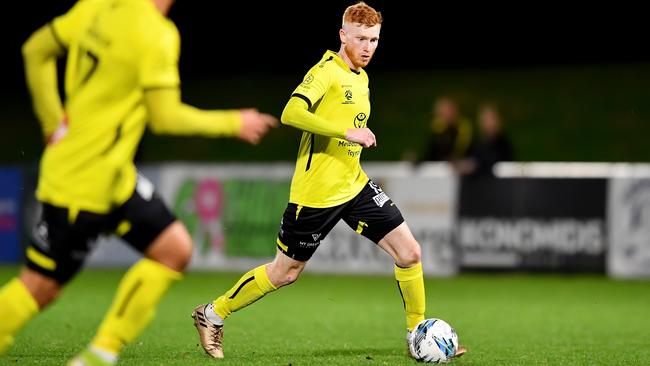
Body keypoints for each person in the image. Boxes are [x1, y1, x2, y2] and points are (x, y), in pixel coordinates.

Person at [0, 0, 277, 365]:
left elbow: (35, 49)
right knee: (39, 289)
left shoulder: (93, 7)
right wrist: (234, 123)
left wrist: (54, 125)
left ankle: (101, 354)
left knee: (173, 249)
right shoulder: (156, 33)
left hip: (113, 175)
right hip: (81, 184)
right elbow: (165, 117)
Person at [190, 2, 466, 360]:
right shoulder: (326, 71)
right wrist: (346, 132)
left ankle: (417, 334)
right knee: (284, 273)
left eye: (375, 39)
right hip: (316, 196)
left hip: (354, 186)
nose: (368, 47)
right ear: (342, 35)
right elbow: (291, 112)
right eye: (361, 39)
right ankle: (212, 314)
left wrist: (349, 139)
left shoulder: (362, 78)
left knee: (410, 252)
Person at [463, 103, 514, 178]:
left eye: (492, 119)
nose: (490, 123)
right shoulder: (478, 143)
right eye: (486, 119)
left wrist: (476, 166)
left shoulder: (503, 144)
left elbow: (498, 163)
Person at [423, 96, 473, 162]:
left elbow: (461, 150)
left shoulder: (463, 128)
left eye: (448, 111)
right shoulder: (437, 127)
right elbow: (431, 152)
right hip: (438, 164)